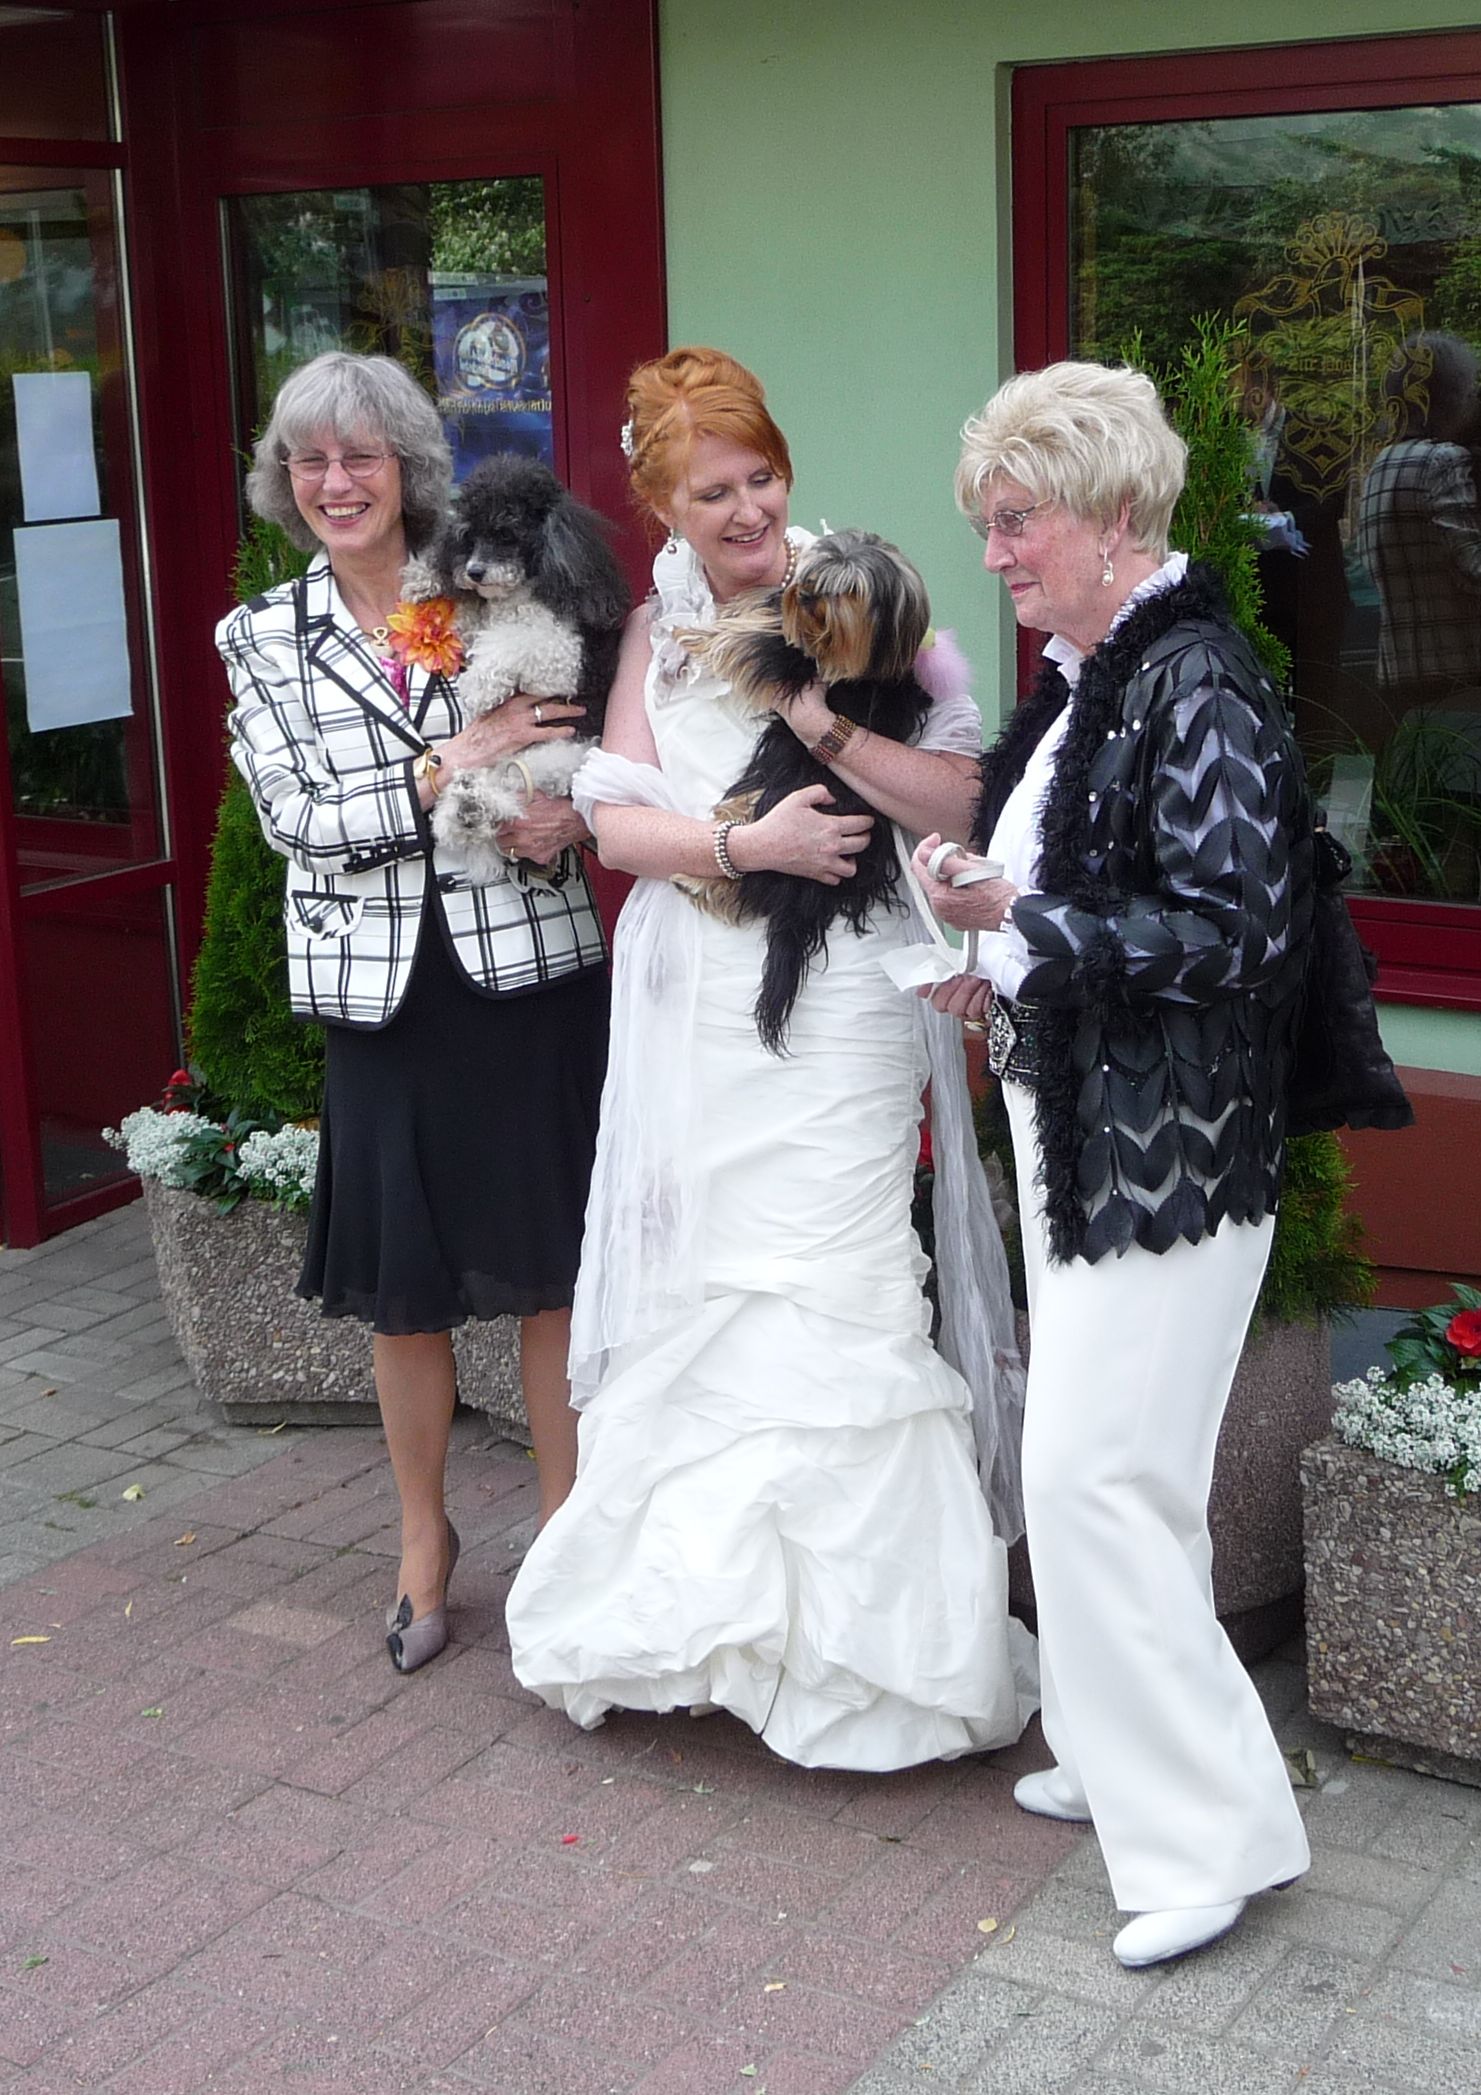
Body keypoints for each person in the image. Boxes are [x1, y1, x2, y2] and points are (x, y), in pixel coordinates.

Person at [505, 346, 1035, 1770]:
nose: (744, 512)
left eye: (759, 479)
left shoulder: (863, 592)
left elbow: (961, 789)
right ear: (660, 507)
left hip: (846, 996)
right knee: (705, 1289)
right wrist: (747, 843)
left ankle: (870, 1656)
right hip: (696, 999)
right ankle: (699, 1633)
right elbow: (616, 826)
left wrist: (817, 727)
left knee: (837, 1275)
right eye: (709, 492)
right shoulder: (645, 636)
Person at [914, 360, 1314, 1966]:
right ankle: (1102, 1744)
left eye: (1013, 523)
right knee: (1105, 1474)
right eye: (990, 526)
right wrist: (989, 956)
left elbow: (1242, 934)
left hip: (1172, 1148)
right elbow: (1080, 905)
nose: (995, 555)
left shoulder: (1193, 680)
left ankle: (1207, 1842)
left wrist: (1021, 922)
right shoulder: (1093, 676)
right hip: (1084, 1121)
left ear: (1100, 512)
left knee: (1091, 1476)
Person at [217, 351, 609, 1674]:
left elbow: (578, 728)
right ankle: (422, 1538)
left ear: (405, 470)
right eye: (314, 460)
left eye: (364, 457)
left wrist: (563, 811)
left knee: (553, 1272)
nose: (338, 482)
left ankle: (565, 1534)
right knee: (406, 1297)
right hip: (381, 1002)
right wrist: (459, 758)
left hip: (528, 975)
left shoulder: (492, 574)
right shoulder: (260, 637)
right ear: (288, 479)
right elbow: (301, 827)